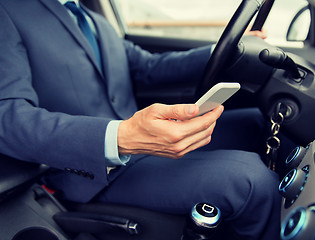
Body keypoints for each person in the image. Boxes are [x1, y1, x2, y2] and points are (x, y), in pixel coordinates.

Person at [0, 0, 281, 239]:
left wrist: (224, 48)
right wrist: (119, 137)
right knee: (252, 180)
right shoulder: (9, 12)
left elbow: (148, 68)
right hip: (88, 171)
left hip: (142, 145)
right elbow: (7, 118)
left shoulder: (96, 20)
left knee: (258, 122)